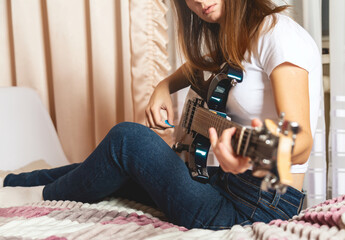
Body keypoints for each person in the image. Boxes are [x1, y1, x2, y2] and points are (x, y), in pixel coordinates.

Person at [0, 0, 322, 229]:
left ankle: (39, 194)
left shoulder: (279, 36)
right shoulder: (239, 36)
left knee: (128, 140)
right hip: (230, 187)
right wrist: (164, 85)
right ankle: (12, 182)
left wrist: (250, 150)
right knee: (116, 171)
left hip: (256, 209)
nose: (197, 1)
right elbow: (200, 64)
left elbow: (302, 141)